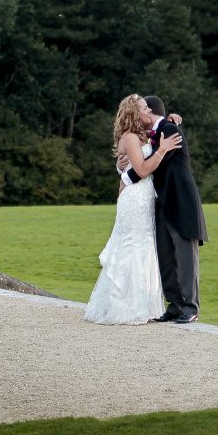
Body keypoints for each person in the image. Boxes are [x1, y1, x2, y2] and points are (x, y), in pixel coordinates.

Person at [83, 94, 182, 325]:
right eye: (144, 108)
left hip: (144, 199)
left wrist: (171, 118)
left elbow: (155, 130)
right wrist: (163, 149)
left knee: (145, 247)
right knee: (132, 248)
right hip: (135, 200)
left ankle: (144, 305)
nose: (148, 111)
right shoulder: (129, 138)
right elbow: (143, 169)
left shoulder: (140, 136)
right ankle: (124, 307)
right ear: (133, 113)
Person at [122, 95, 207, 323]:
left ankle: (190, 307)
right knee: (166, 256)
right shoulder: (152, 136)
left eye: (142, 110)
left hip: (181, 202)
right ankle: (175, 304)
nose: (140, 116)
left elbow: (149, 166)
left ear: (149, 112)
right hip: (161, 203)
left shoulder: (170, 130)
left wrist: (127, 175)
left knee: (185, 256)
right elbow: (148, 159)